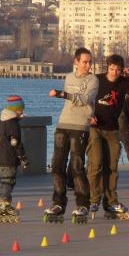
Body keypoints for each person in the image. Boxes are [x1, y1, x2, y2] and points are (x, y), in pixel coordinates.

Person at [87, 54, 129, 219]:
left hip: (113, 130)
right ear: (107, 67)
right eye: (112, 69)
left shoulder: (124, 83)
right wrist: (88, 115)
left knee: (112, 167)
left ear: (122, 70)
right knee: (96, 164)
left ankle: (112, 201)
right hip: (95, 128)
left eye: (117, 70)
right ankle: (93, 199)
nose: (114, 73)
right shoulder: (96, 80)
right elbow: (83, 97)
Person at [44, 47, 98, 224]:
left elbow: (84, 99)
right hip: (63, 123)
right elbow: (71, 101)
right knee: (57, 164)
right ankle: (58, 203)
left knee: (77, 165)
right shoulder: (68, 77)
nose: (88, 65)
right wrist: (64, 94)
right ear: (76, 62)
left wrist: (62, 94)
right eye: (84, 61)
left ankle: (83, 203)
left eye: (90, 62)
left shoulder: (93, 80)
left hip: (80, 125)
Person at [0, 95, 29, 223]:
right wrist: (23, 158)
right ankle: (5, 205)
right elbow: (16, 143)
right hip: (9, 157)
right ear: (15, 110)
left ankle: (2, 205)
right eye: (21, 110)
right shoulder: (13, 124)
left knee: (4, 181)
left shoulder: (1, 121)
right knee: (9, 181)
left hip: (0, 156)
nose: (22, 112)